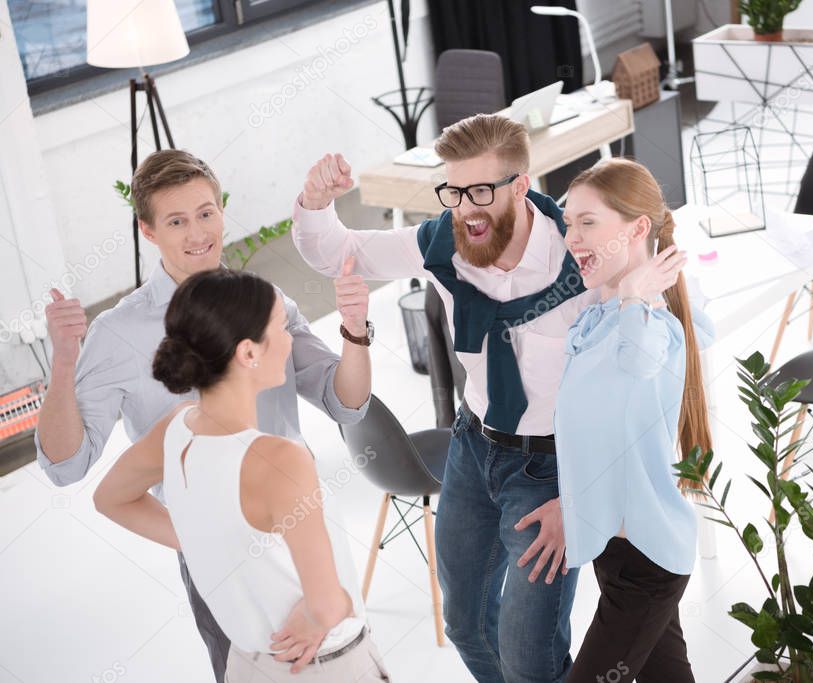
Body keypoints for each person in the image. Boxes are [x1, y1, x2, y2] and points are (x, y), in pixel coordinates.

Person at [292, 114, 611, 682]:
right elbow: (336, 251)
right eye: (455, 191)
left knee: (530, 654)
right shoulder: (443, 243)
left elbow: (625, 395)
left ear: (520, 184)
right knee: (465, 623)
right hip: (474, 449)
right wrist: (315, 203)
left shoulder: (580, 253)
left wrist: (579, 498)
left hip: (554, 468)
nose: (466, 208)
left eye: (482, 191)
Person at [36, 149, 372, 683]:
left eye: (207, 213)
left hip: (301, 525)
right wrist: (63, 363)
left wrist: (355, 329)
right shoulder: (118, 334)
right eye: (176, 220)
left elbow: (345, 404)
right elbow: (66, 468)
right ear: (147, 231)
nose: (198, 233)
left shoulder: (266, 301)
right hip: (220, 564)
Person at [93, 269, 389, 681]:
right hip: (326, 667)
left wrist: (201, 541)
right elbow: (327, 606)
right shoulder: (281, 461)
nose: (290, 341)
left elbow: (109, 498)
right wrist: (316, 611)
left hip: (247, 666)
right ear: (248, 353)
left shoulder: (177, 426)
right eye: (281, 328)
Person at [556, 158, 713, 683]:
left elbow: (640, 361)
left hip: (645, 562)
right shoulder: (602, 315)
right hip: (618, 552)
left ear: (638, 227)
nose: (572, 237)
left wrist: (633, 295)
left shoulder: (651, 328)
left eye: (588, 222)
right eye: (568, 222)